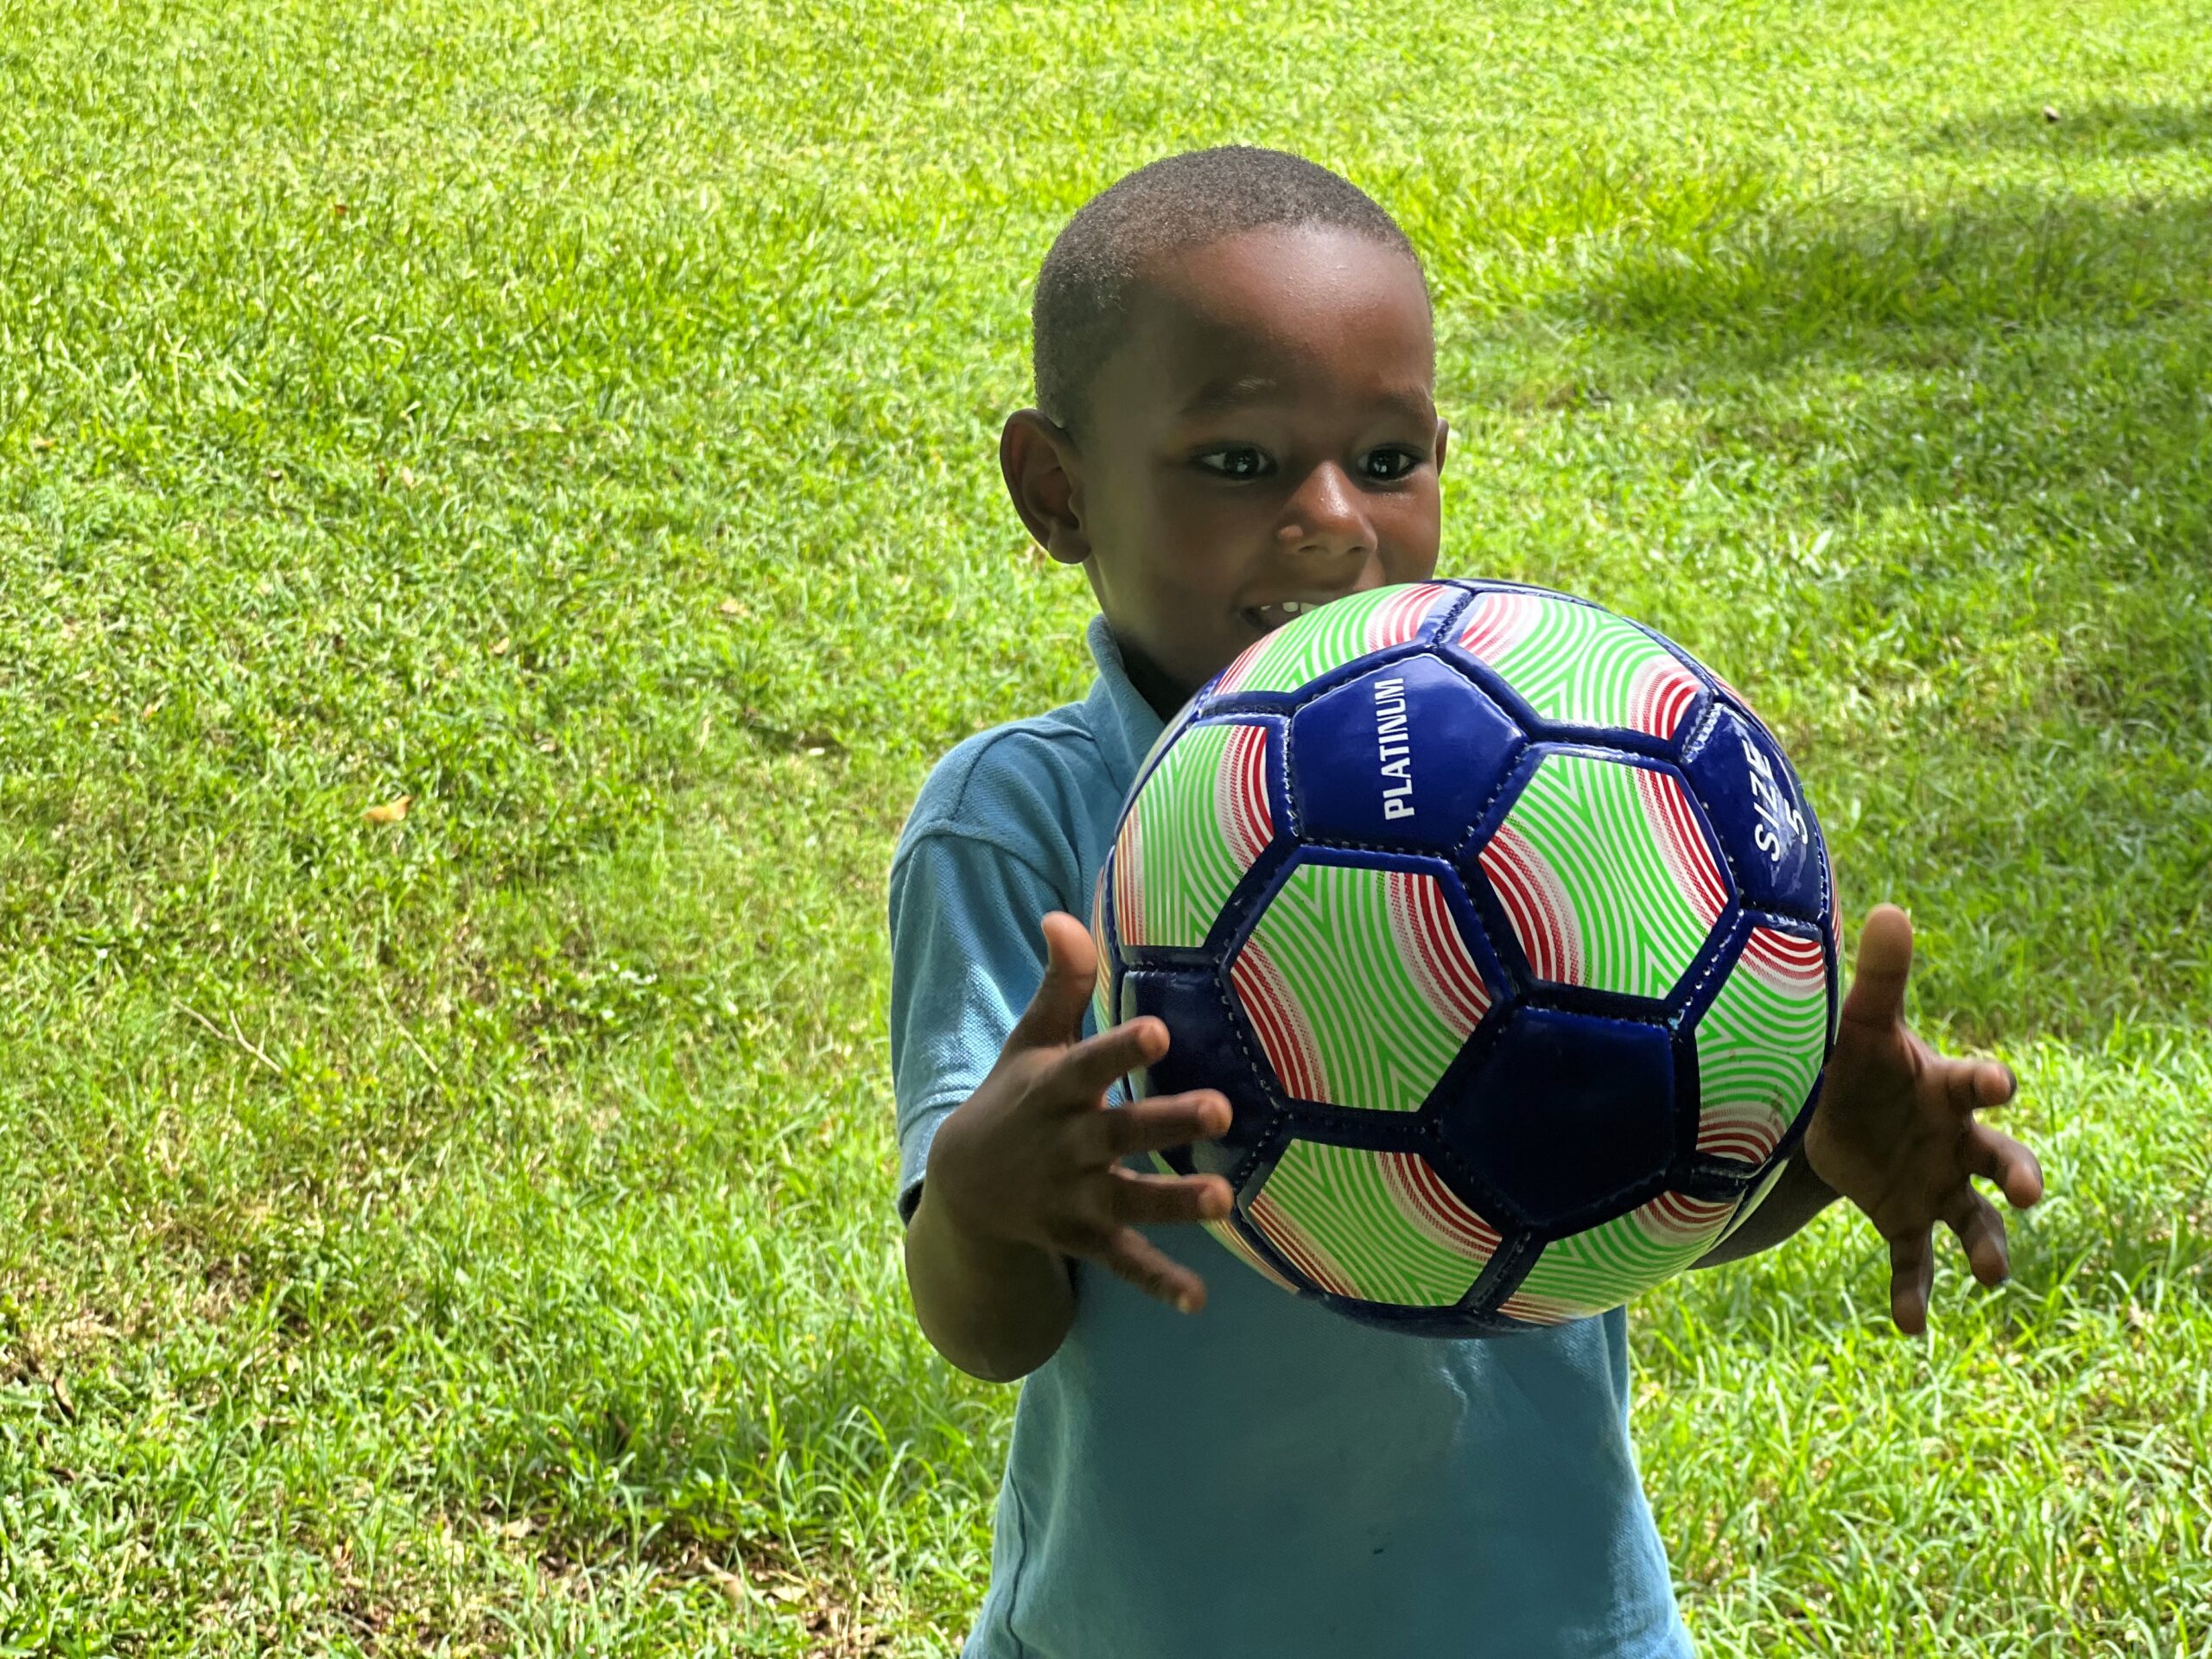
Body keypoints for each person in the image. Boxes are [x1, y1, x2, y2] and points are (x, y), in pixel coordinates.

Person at [887, 146, 2044, 1658]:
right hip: (1156, 1624)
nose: (1332, 522)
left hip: (1553, 1616)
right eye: (1237, 461)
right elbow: (993, 1326)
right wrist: (983, 1201)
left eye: (1387, 458)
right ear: (1056, 489)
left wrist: (1806, 1161)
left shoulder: (1567, 784)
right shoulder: (1017, 832)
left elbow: (1592, 1217)